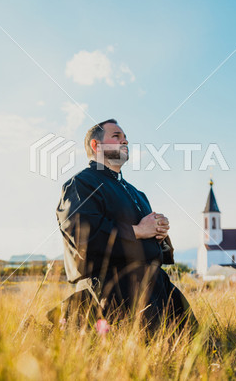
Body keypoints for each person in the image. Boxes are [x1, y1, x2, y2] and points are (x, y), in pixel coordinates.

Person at [48, 119, 197, 333]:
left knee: (196, 346)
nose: (125, 140)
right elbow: (82, 235)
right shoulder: (81, 184)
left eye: (125, 137)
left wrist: (159, 232)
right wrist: (139, 231)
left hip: (158, 287)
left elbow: (151, 246)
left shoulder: (137, 193)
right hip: (112, 289)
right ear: (96, 146)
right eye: (116, 136)